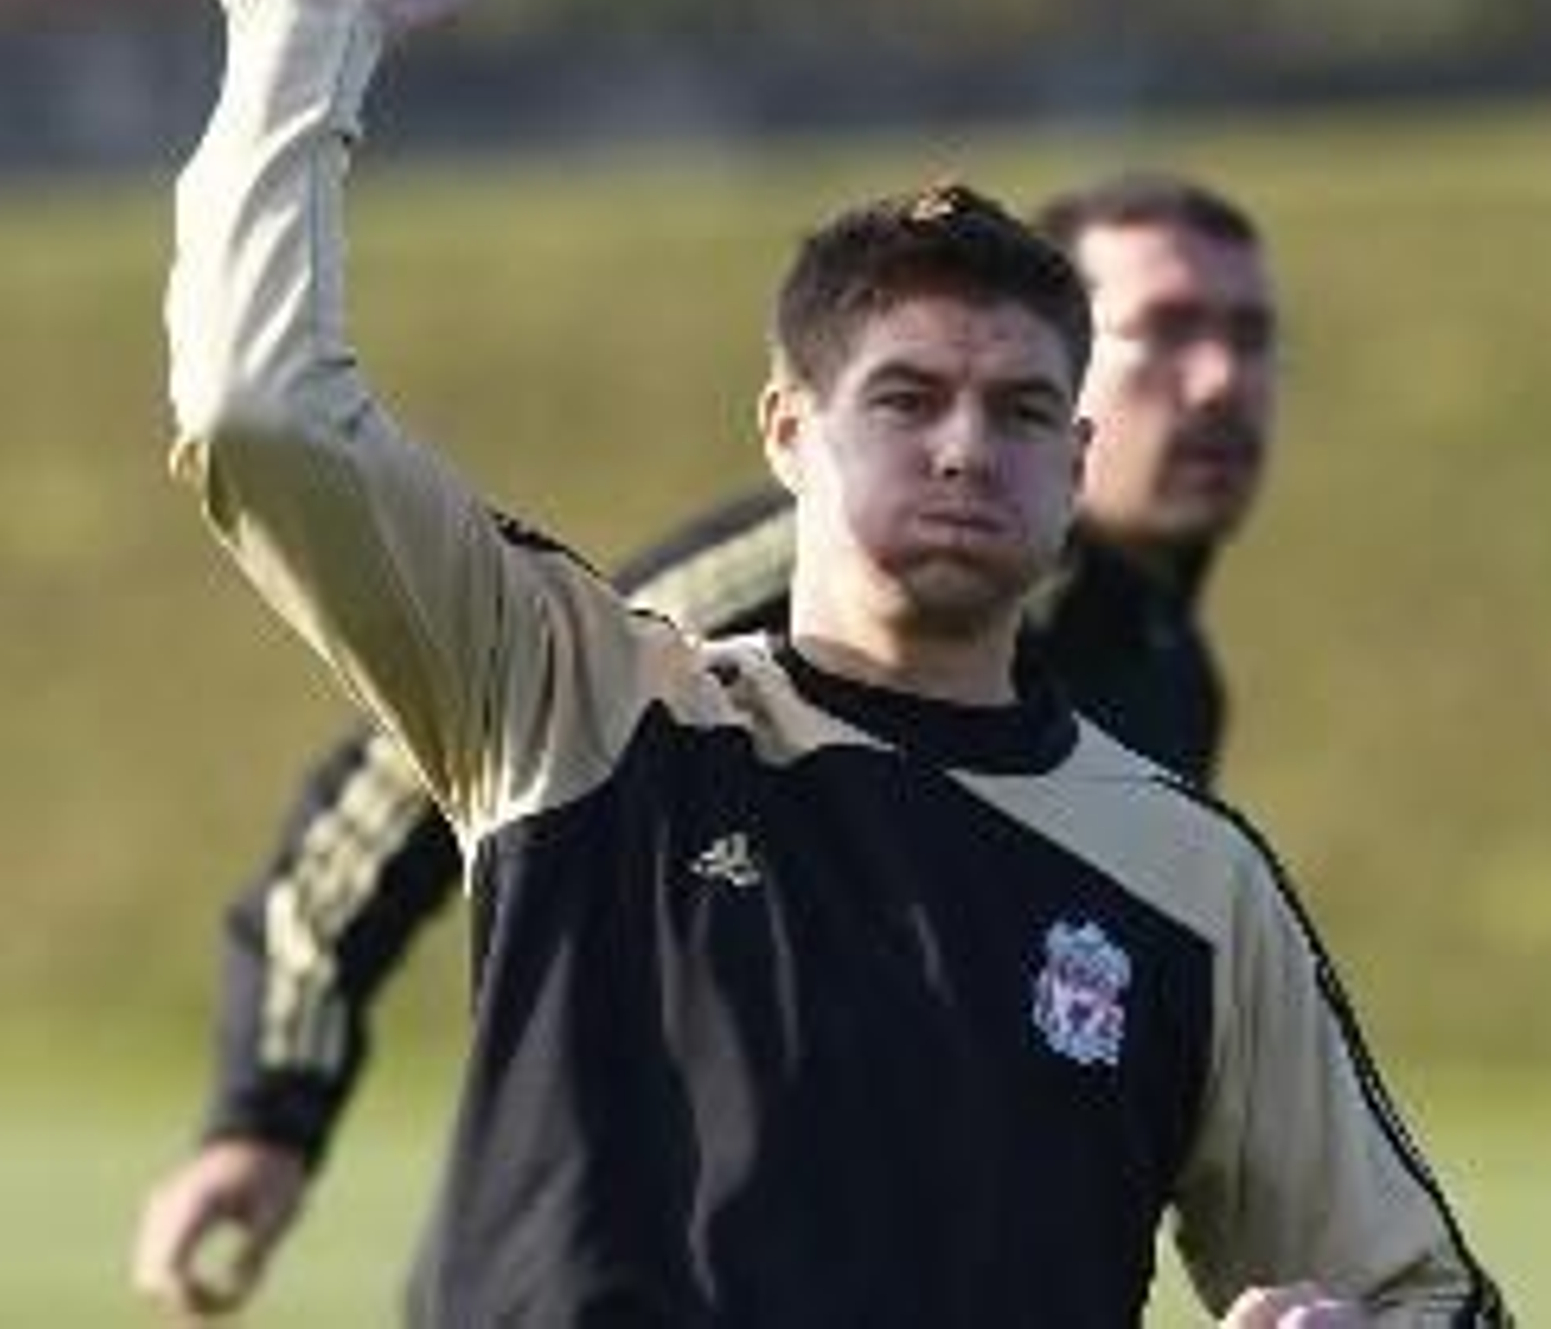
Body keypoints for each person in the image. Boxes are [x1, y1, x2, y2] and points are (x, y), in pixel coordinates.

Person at [158, 0, 1509, 1325]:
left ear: (1076, 462)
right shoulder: (584, 701)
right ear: (789, 435)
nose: (961, 450)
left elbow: (1423, 1293)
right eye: (907, 398)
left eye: (1017, 414)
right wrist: (303, 31)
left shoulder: (1195, 880)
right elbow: (261, 411)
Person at [133, 170, 1274, 1321]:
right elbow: (417, 767)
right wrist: (271, 1105)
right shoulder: (807, 569)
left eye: (1249, 335)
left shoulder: (1169, 688)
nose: (1222, 382)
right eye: (1169, 331)